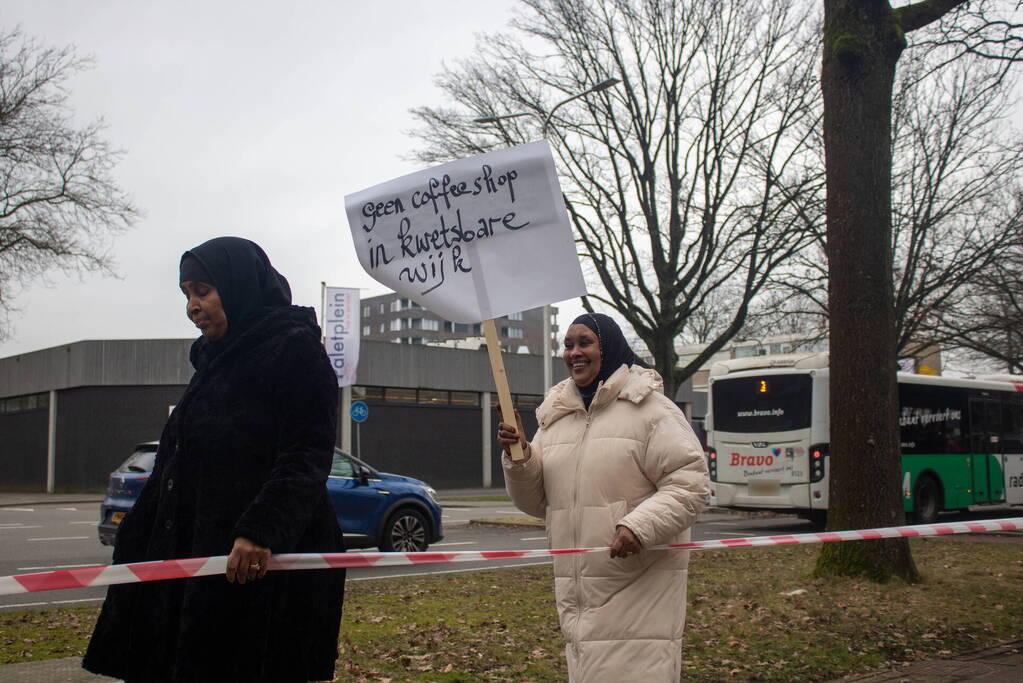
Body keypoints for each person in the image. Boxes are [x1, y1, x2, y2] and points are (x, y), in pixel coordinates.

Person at [84, 237, 345, 683]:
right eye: (186, 294)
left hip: (253, 571)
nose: (192, 306)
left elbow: (307, 451)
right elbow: (179, 461)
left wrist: (261, 528)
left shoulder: (293, 348)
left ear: (238, 286)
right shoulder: (211, 362)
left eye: (202, 291)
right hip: (189, 559)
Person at [498, 313, 709, 682]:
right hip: (577, 598)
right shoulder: (556, 417)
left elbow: (690, 482)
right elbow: (537, 502)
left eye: (584, 343)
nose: (574, 353)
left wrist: (638, 527)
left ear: (607, 348)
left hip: (639, 593)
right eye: (567, 345)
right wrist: (521, 457)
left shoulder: (652, 411)